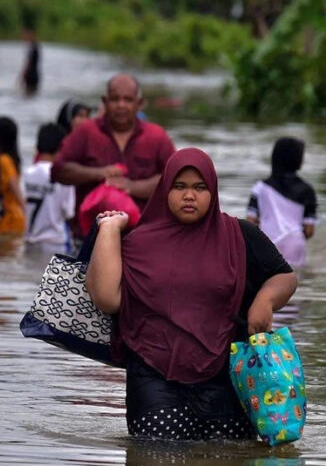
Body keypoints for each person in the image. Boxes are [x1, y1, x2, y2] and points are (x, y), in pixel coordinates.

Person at [86, 148, 298, 441]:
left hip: (227, 378)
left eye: (200, 188)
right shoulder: (136, 243)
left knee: (227, 457)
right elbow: (106, 297)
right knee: (156, 454)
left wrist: (265, 300)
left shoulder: (240, 235)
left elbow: (285, 276)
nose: (189, 196)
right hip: (153, 377)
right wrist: (110, 228)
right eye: (180, 186)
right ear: (165, 190)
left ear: (213, 191)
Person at [51, 73, 175, 237]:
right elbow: (57, 170)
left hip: (142, 238)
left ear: (139, 104)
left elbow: (174, 178)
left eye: (128, 100)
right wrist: (98, 173)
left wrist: (133, 187)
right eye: (115, 99)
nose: (121, 105)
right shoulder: (86, 132)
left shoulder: (156, 136)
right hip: (89, 238)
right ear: (105, 101)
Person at [246, 137, 318, 268]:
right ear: (299, 162)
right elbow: (309, 231)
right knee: (294, 282)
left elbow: (250, 223)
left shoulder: (260, 188)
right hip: (294, 245)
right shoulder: (308, 191)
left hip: (266, 243)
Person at [24, 123, 75, 252]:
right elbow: (69, 213)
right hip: (56, 245)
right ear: (61, 147)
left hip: (30, 242)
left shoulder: (26, 174)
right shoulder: (63, 177)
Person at [21, 27, 40, 95]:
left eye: (25, 35)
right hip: (33, 74)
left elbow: (29, 63)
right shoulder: (34, 46)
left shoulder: (33, 47)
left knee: (28, 94)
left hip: (31, 75)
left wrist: (24, 75)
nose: (24, 37)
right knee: (31, 94)